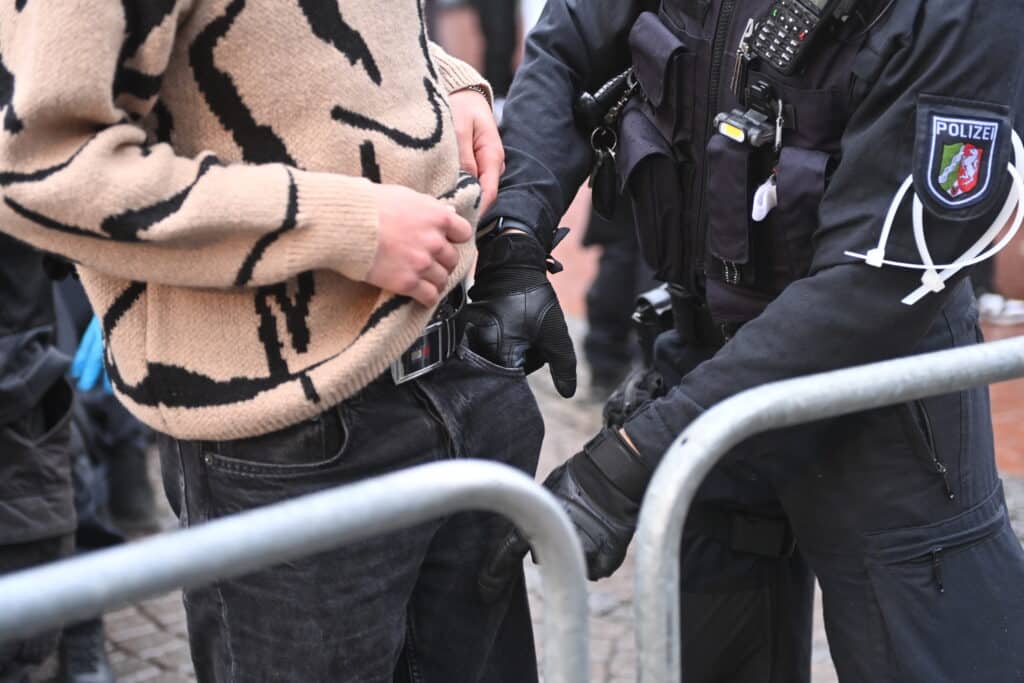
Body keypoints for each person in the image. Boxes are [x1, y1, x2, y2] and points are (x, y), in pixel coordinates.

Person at [0, 2, 571, 680]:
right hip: (286, 438)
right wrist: (344, 227)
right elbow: (39, 168)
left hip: (453, 371)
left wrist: (443, 77)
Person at [479, 1, 1024, 680]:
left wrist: (635, 457)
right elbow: (565, 52)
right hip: (705, 375)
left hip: (884, 412)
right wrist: (515, 238)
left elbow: (875, 286)